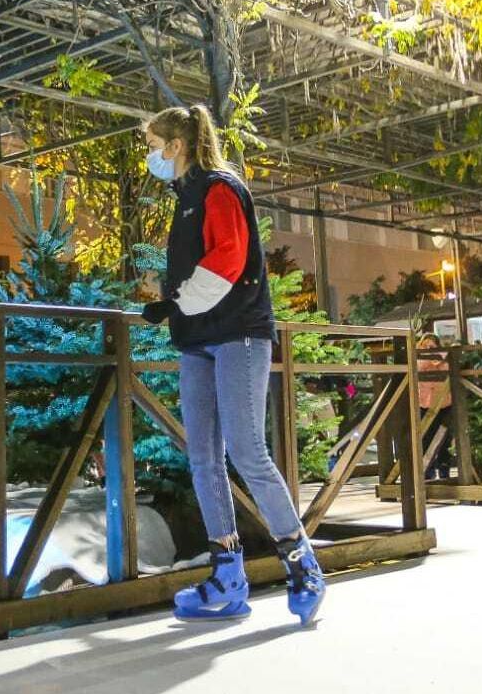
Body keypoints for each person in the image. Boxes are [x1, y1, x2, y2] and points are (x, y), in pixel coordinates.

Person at [138, 104, 326, 627]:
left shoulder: (220, 188)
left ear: (175, 145)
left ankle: (301, 562)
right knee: (202, 455)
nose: (150, 155)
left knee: (247, 450)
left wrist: (177, 302)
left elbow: (228, 256)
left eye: (154, 144)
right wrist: (171, 303)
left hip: (238, 334)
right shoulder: (186, 199)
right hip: (197, 339)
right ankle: (227, 574)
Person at [415, 334, 453, 480]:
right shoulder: (418, 359)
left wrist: (435, 356)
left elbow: (448, 367)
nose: (429, 349)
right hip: (425, 404)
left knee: (445, 440)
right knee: (426, 439)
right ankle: (427, 471)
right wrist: (431, 356)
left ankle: (444, 472)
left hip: (444, 403)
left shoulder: (444, 358)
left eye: (432, 346)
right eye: (426, 346)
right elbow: (420, 367)